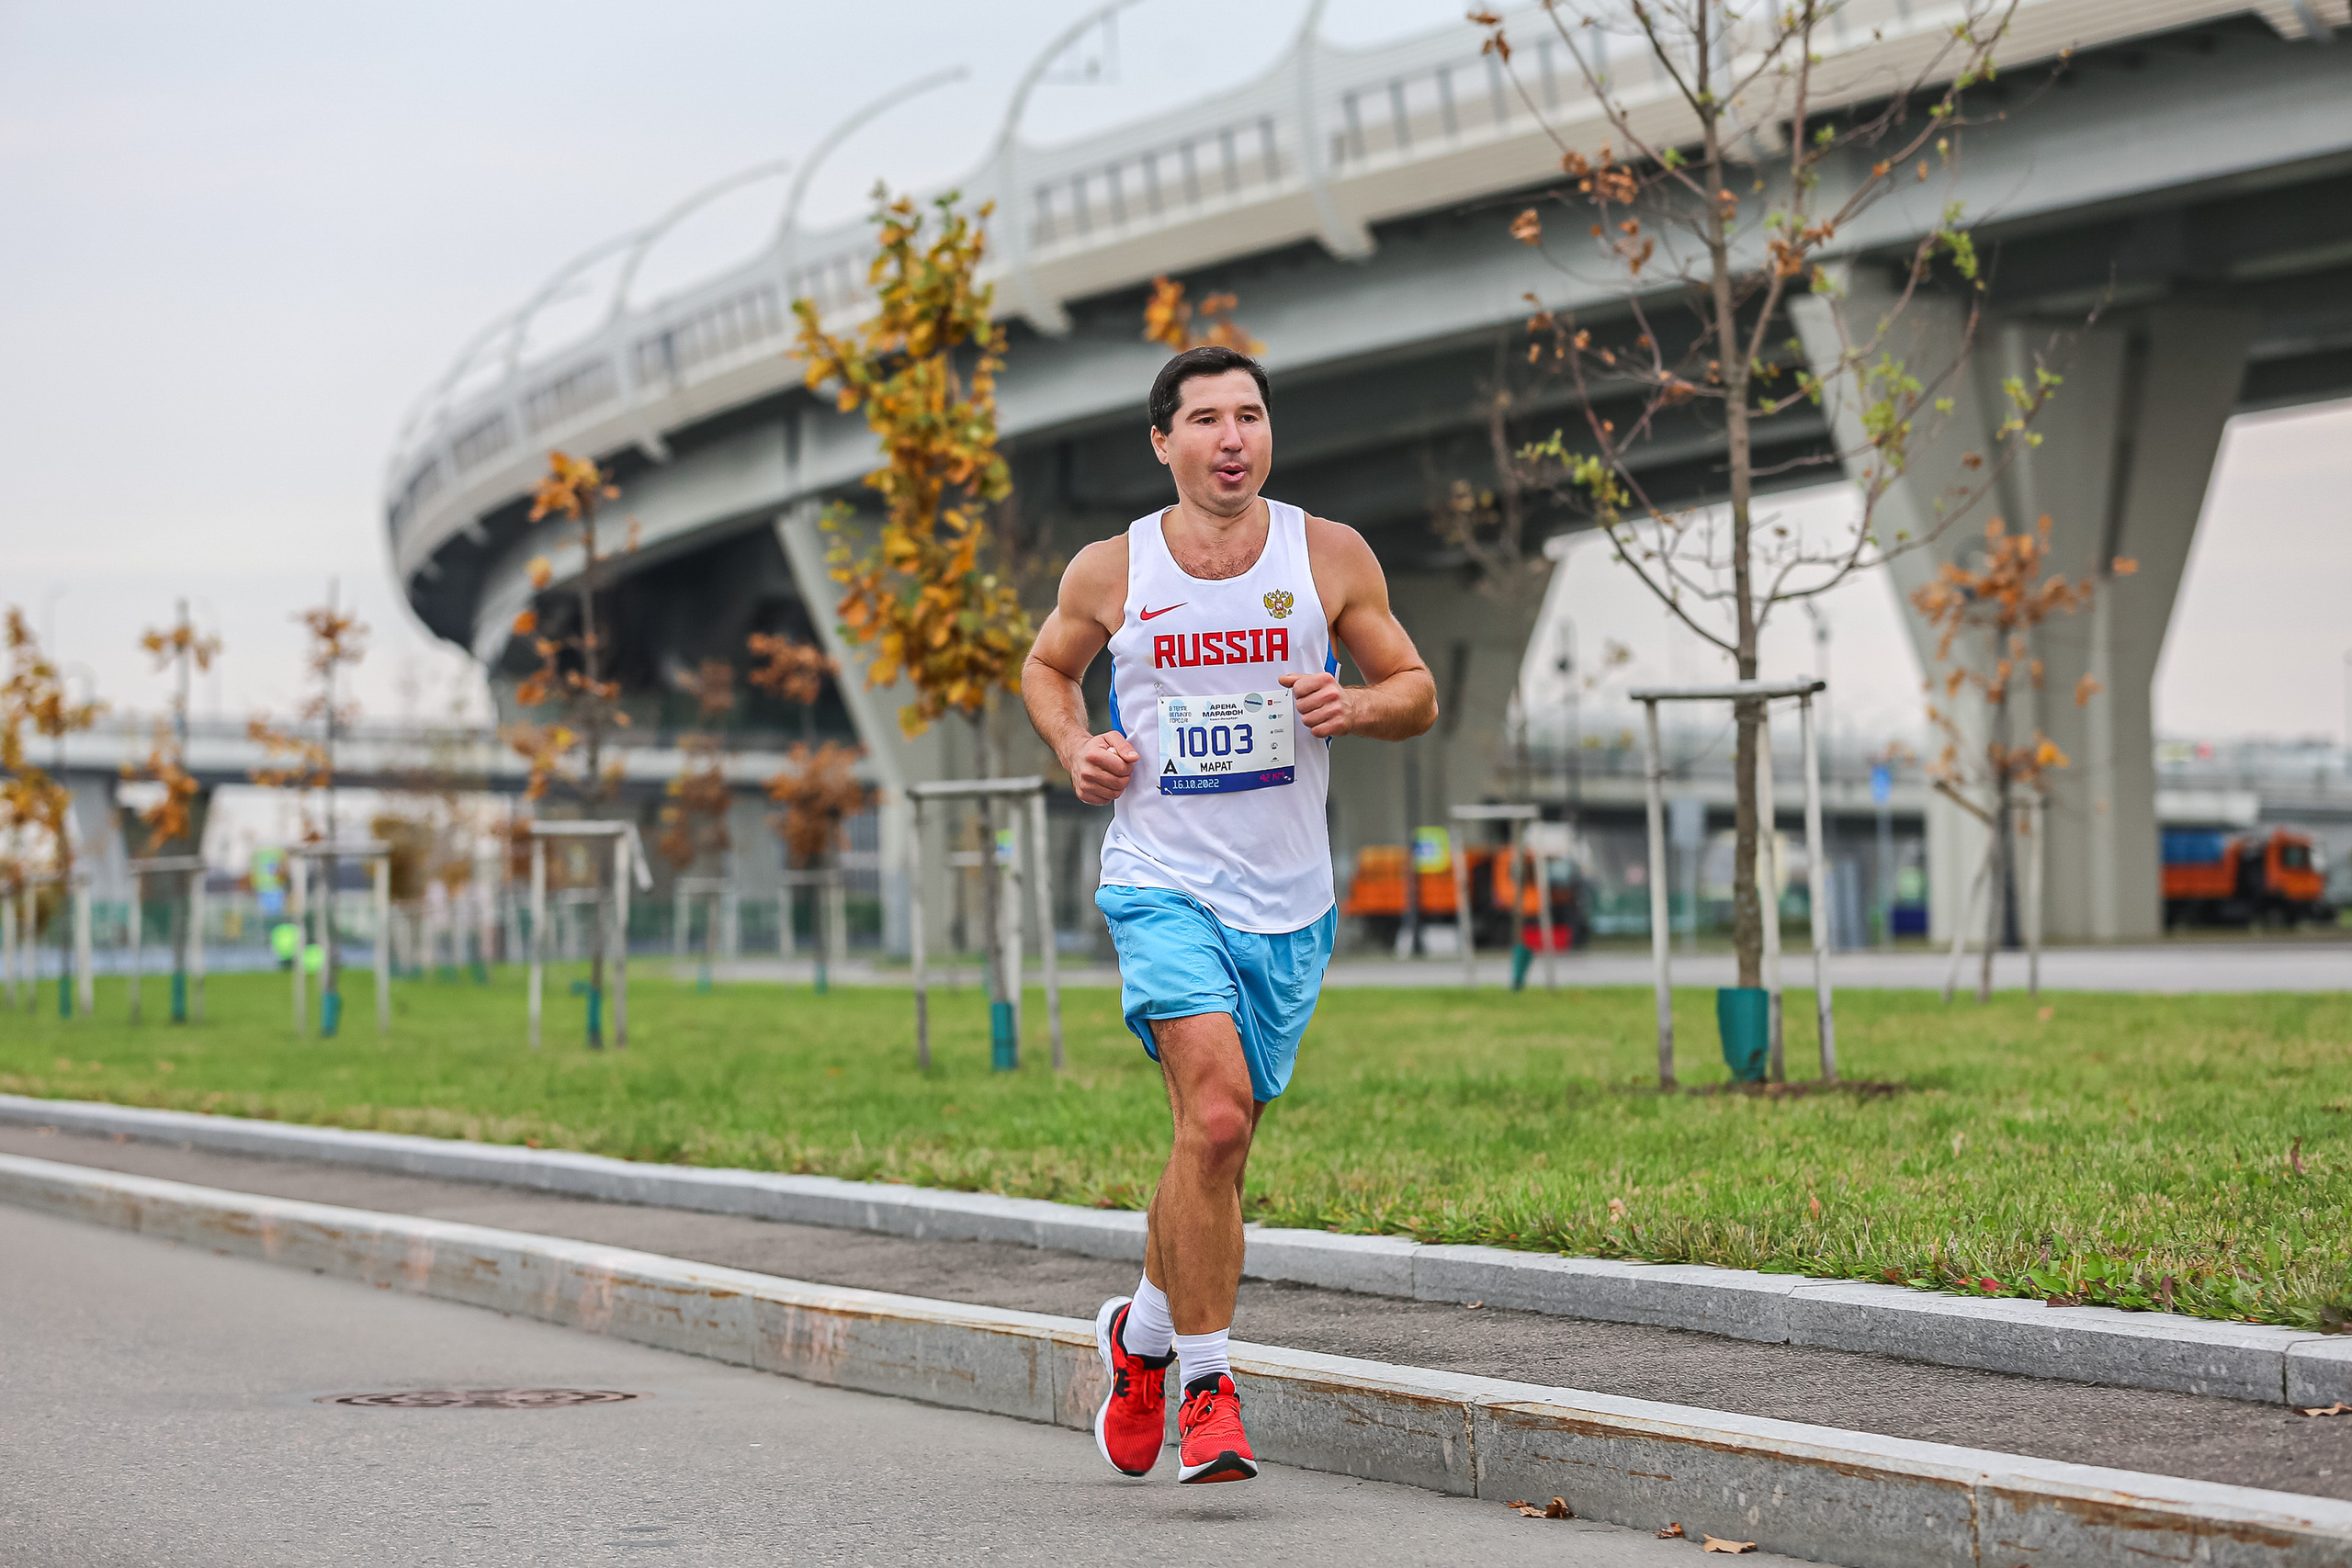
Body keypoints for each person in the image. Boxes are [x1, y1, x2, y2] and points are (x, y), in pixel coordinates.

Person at [1022, 344, 1438, 1484]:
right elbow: (1047, 669)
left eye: (1249, 415)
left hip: (1288, 898)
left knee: (1219, 1143)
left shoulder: (1327, 554)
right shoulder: (1114, 568)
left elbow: (1415, 691)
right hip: (1160, 879)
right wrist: (1076, 746)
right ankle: (1208, 1388)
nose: (1232, 437)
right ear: (1163, 442)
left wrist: (1353, 706)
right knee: (1211, 1123)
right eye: (1205, 418)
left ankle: (1141, 1337)